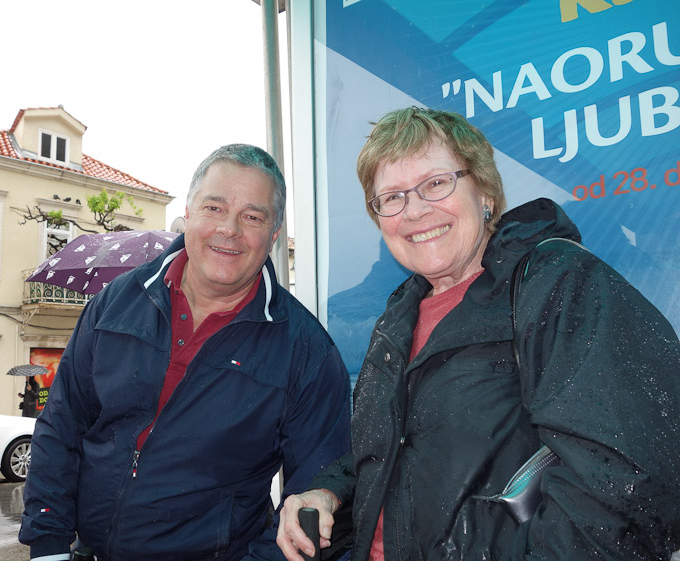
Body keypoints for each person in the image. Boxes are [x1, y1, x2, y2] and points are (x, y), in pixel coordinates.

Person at [276, 107, 680, 560]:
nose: (415, 210)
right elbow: (403, 450)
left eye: (435, 183)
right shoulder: (400, 315)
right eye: (391, 197)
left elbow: (625, 489)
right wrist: (329, 494)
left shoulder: (560, 284)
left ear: (484, 191)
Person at [19, 144, 351, 561]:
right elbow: (61, 425)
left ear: (274, 234)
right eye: (214, 207)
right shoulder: (114, 304)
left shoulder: (307, 350)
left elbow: (317, 495)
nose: (229, 228)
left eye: (252, 216)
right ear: (189, 213)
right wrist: (48, 546)